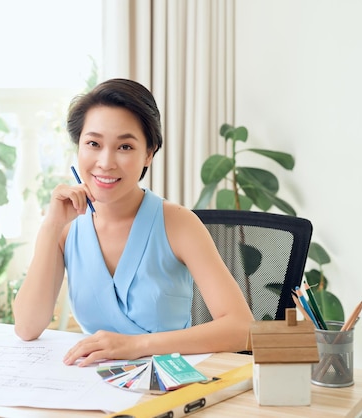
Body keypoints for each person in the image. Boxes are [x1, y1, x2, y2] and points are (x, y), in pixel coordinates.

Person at [13, 78, 253, 367]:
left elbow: (241, 328)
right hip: (92, 383)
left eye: (124, 147)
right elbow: (27, 327)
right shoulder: (66, 225)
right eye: (93, 143)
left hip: (170, 379)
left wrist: (136, 346)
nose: (105, 161)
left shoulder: (178, 223)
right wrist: (51, 226)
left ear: (149, 154)